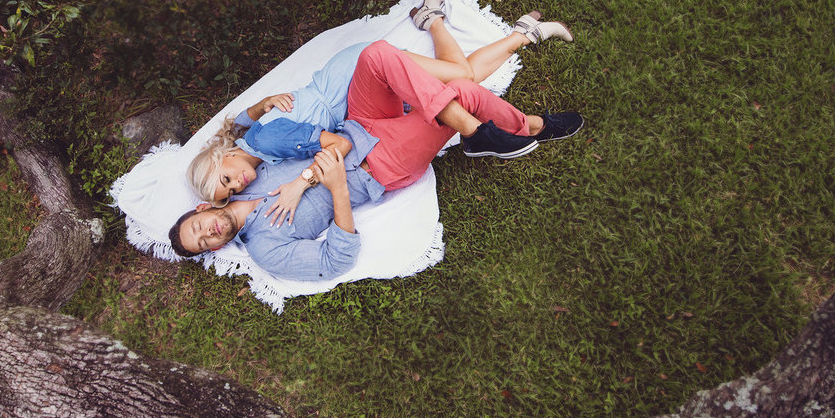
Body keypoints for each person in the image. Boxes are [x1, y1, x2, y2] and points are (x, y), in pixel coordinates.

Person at [168, 38, 584, 281]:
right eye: (205, 243)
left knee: (377, 54)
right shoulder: (266, 249)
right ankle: (529, 127)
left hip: (359, 125)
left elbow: (316, 141)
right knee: (464, 93)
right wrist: (333, 188)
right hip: (380, 165)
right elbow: (336, 261)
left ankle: (478, 134)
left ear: (203, 209)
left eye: (200, 227)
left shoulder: (253, 174)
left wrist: (302, 178)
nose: (210, 234)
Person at [187, 0, 574, 221]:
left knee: (462, 76)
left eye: (226, 180)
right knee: (458, 83)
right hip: (358, 103)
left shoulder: (268, 141)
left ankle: (454, 23)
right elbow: (238, 121)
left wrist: (298, 181)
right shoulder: (254, 142)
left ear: (221, 159)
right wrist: (259, 104)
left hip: (350, 77)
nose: (238, 186)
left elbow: (326, 144)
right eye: (230, 192)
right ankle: (509, 32)